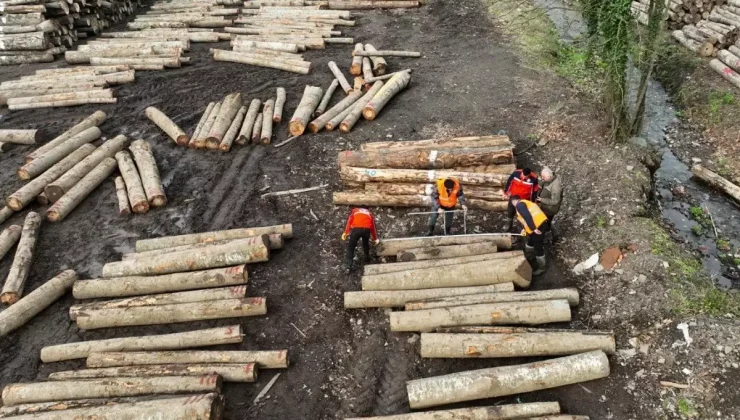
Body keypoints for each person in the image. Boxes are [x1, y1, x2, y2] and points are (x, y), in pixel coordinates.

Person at [510, 195, 548, 276]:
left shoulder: (519, 205)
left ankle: (542, 268)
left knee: (538, 246)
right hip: (539, 224)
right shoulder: (525, 203)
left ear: (514, 201)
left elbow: (528, 216)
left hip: (538, 226)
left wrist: (533, 228)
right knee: (530, 242)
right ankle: (529, 257)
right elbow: (526, 218)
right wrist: (525, 229)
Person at [342, 207, 379, 271]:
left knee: (351, 246)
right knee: (365, 244)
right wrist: (375, 238)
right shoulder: (369, 213)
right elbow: (373, 227)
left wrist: (346, 232)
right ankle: (367, 257)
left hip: (357, 229)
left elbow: (349, 221)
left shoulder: (355, 210)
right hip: (366, 229)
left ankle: (349, 265)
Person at [504, 167, 539, 232]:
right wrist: (506, 192)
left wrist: (532, 201)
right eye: (523, 175)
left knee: (521, 214)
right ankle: (508, 225)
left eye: (526, 176)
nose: (524, 177)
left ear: (529, 174)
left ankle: (520, 228)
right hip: (513, 196)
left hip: (524, 200)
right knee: (510, 211)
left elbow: (534, 191)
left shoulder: (534, 179)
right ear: (522, 172)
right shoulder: (516, 173)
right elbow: (509, 182)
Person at [536, 167, 563, 240]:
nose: (542, 178)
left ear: (549, 177)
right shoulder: (550, 178)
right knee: (544, 220)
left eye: (543, 177)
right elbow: (544, 182)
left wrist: (542, 199)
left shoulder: (556, 187)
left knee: (545, 222)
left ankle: (547, 235)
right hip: (544, 206)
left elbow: (555, 201)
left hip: (550, 209)